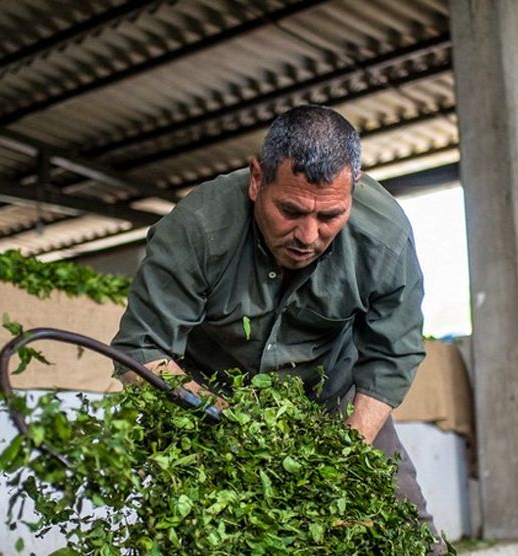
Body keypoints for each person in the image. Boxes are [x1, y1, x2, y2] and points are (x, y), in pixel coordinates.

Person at [111, 105, 434, 531]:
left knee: (399, 528)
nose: (307, 235)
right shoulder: (198, 228)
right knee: (193, 540)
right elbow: (142, 351)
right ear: (257, 180)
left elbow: (392, 357)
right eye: (291, 211)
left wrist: (342, 457)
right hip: (207, 399)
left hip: (332, 395)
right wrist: (226, 423)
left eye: (329, 216)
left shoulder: (385, 239)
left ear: (352, 192)